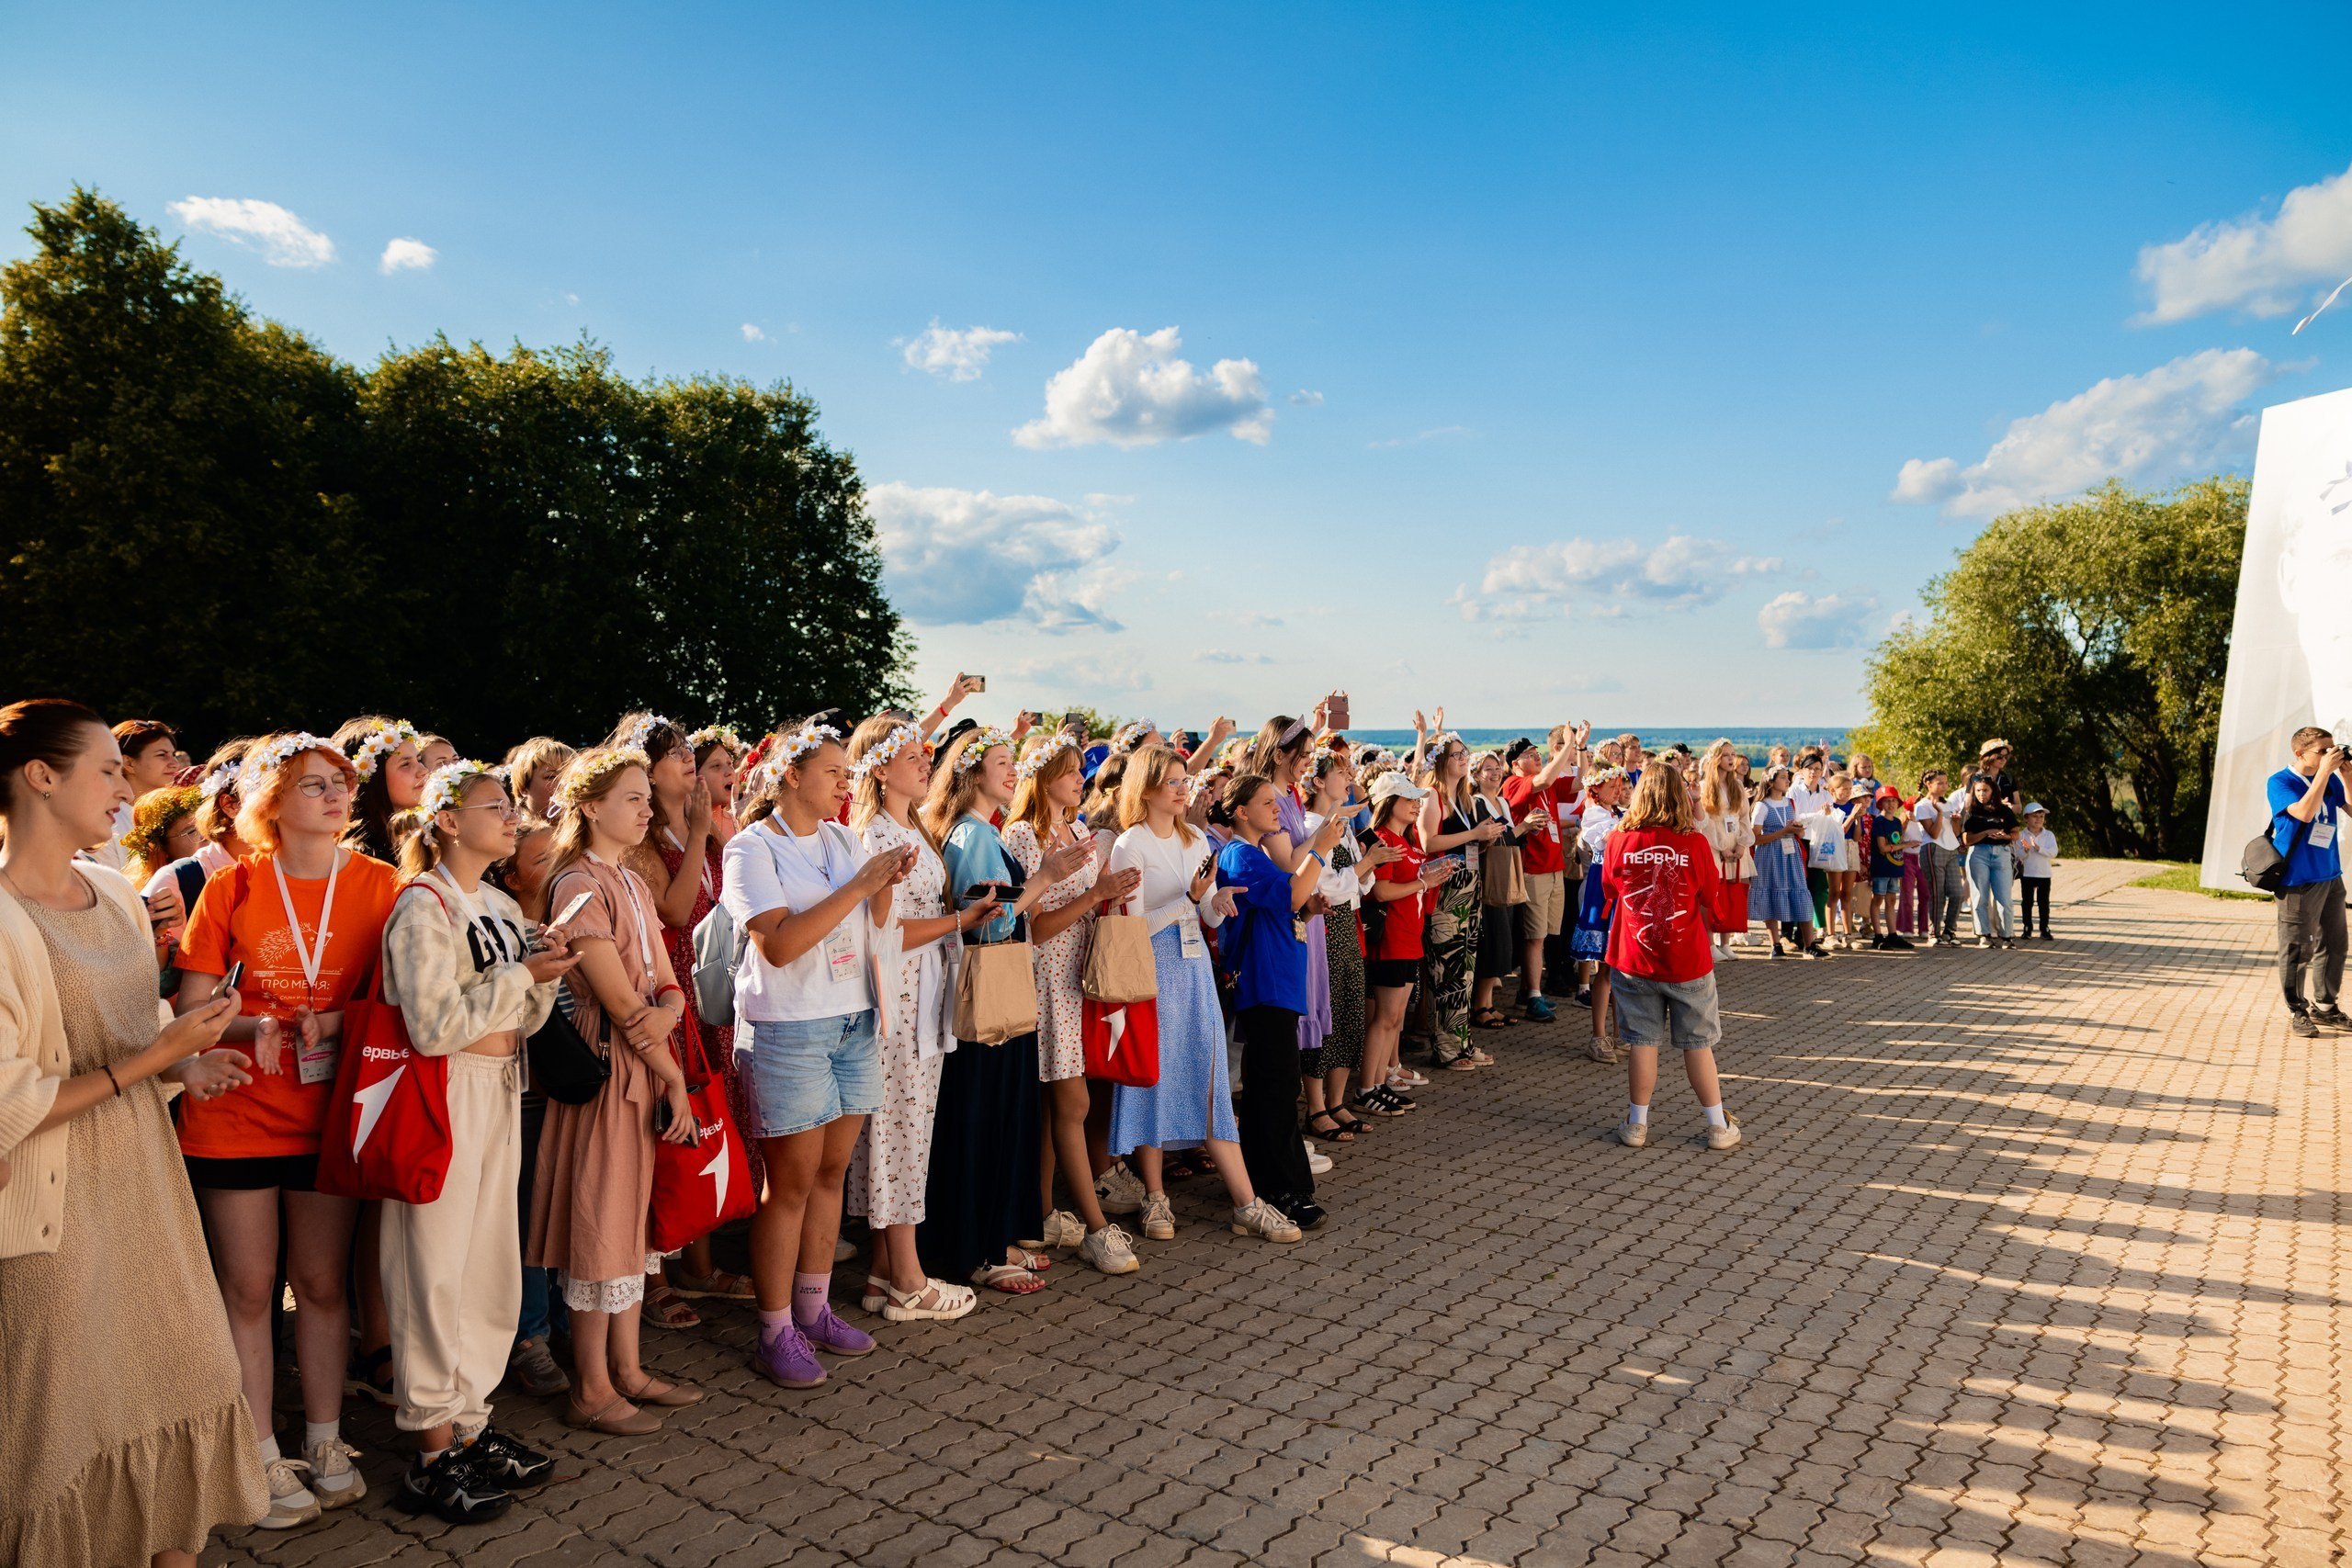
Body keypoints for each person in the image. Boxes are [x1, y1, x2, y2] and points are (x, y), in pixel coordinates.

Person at [0, 698, 266, 1568]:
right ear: (41, 776)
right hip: (52, 1214)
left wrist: (189, 1058)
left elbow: (128, 1031)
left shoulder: (115, 891)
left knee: (178, 1386)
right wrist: (152, 1057)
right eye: (108, 768)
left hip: (147, 1188)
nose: (128, 786)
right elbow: (9, 1100)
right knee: (67, 1433)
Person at [174, 731, 402, 1525]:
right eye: (315, 786)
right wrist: (250, 1027)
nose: (338, 797)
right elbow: (191, 1012)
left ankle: (328, 1439)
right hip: (235, 1112)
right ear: (272, 804)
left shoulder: (382, 882)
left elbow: (405, 1000)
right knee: (247, 1289)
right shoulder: (232, 887)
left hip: (328, 1116)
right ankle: (260, 1456)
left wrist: (335, 1021)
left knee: (323, 1283)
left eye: (341, 784)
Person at [379, 761, 576, 1521]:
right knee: (433, 1267)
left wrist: (545, 973)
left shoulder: (496, 900)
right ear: (449, 821)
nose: (513, 817)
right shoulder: (422, 906)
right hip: (444, 1093)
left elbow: (519, 1017)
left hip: (500, 1088)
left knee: (491, 1261)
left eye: (512, 806)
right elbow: (432, 1026)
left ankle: (470, 1424)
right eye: (496, 807)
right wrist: (521, 972)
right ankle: (432, 1451)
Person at [720, 724, 914, 1389]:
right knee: (792, 1183)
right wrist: (861, 885)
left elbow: (874, 924)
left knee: (831, 1174)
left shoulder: (839, 837)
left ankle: (814, 1307)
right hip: (789, 1029)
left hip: (851, 1017)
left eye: (845, 772)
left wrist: (885, 879)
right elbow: (779, 944)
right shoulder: (752, 848)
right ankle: (774, 1330)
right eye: (833, 771)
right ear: (791, 776)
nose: (844, 782)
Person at [528, 746, 703, 1436]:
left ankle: (628, 1369)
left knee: (630, 1228)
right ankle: (591, 1387)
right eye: (632, 796)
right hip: (610, 1071)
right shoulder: (577, 883)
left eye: (644, 797)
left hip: (643, 1058)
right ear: (591, 805)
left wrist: (665, 1011)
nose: (646, 807)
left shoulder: (628, 878)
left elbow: (665, 983)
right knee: (601, 1226)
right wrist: (673, 1076)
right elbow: (621, 1003)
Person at [1105, 747, 1300, 1244]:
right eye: (1171, 780)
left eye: (1182, 778)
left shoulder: (1195, 841)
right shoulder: (1131, 845)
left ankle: (1246, 1203)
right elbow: (1128, 928)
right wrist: (1189, 901)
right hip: (1152, 973)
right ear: (1145, 789)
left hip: (1194, 972)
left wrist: (1215, 903)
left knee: (1210, 1076)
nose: (1181, 787)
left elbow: (1205, 917)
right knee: (1154, 1078)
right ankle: (1155, 1196)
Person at [919, 727, 1088, 1294]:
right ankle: (974, 1249)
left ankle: (991, 1235)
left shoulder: (981, 831)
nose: (1012, 769)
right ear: (971, 773)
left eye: (1013, 760)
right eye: (1000, 761)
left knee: (994, 1118)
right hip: (988, 996)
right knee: (982, 1120)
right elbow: (991, 921)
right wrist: (1048, 876)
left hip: (999, 990)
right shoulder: (973, 836)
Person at [846, 716, 994, 1322]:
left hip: (921, 992)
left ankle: (885, 1270)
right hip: (896, 998)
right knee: (898, 1133)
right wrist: (961, 921)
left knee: (908, 1129)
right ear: (879, 769)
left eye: (925, 753)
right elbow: (883, 930)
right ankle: (907, 1278)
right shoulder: (875, 834)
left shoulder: (908, 825)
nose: (925, 763)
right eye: (912, 754)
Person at [605, 714, 734, 1325]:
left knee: (706, 1122)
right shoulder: (642, 841)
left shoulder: (701, 828)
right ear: (646, 771)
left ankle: (700, 1263)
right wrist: (703, 829)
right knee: (668, 1132)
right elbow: (677, 911)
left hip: (707, 996)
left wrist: (710, 832)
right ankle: (653, 1274)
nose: (689, 758)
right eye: (675, 752)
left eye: (688, 748)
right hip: (666, 996)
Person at [1001, 732, 1141, 1276]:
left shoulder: (1079, 827)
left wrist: (1111, 889)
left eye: (1080, 769)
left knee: (1056, 1107)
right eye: (1067, 771)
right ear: (1041, 778)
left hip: (1082, 972)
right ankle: (1096, 1228)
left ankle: (1041, 1214)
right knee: (1073, 1104)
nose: (1079, 779)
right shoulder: (1022, 834)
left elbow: (1087, 899)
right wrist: (1093, 896)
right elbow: (1030, 925)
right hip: (1048, 976)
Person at [1209, 774, 1346, 1229]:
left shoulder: (1253, 853)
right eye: (1267, 803)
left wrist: (1306, 909)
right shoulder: (1239, 854)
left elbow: (1287, 902)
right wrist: (1320, 848)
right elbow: (1288, 891)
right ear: (1241, 812)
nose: (1277, 810)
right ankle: (1278, 1188)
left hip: (1276, 978)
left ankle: (1274, 1181)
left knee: (1274, 1083)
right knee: (1274, 1086)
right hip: (1264, 981)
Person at [1600, 761, 1740, 1153]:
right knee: (1698, 1044)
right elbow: (1709, 897)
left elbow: (1610, 889)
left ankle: (1637, 1124)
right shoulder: (1694, 843)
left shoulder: (1618, 839)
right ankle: (1717, 1125)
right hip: (1686, 959)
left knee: (1643, 1042)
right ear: (1681, 796)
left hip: (1634, 956)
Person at [486, 814, 571, 1399]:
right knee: (522, 1217)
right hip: (512, 1091)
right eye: (541, 861)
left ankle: (567, 1321)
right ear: (512, 878)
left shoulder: (557, 919)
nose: (554, 870)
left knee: (554, 1206)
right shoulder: (497, 921)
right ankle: (527, 1337)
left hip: (563, 1088)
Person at [1355, 772, 1445, 1119]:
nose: (1417, 804)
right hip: (1392, 938)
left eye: (1417, 799)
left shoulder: (1405, 839)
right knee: (1385, 1017)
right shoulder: (1383, 839)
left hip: (1409, 936)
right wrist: (1422, 882)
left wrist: (1431, 878)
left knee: (1395, 1019)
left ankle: (1379, 1083)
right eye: (1409, 799)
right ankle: (1368, 1088)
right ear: (1389, 801)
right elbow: (1381, 891)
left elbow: (1413, 885)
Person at [1417, 733, 1504, 1069]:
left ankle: (1462, 1042)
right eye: (1455, 754)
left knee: (1465, 971)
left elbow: (1463, 843)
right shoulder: (1432, 795)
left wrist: (1483, 841)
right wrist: (1473, 835)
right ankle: (1446, 1047)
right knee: (1447, 972)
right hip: (1446, 892)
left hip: (1469, 886)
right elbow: (1428, 841)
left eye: (1464, 753)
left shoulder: (1465, 798)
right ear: (1440, 761)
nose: (1463, 758)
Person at [1300, 746, 1374, 1141]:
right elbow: (1322, 883)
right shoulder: (1313, 825)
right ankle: (1315, 1108)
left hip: (1348, 926)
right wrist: (1362, 868)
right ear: (1318, 782)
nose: (1348, 779)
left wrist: (1366, 865)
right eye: (1341, 773)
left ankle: (1337, 1100)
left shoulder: (1341, 824)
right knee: (1323, 1016)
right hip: (1324, 925)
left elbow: (1361, 885)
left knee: (1347, 1012)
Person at [2267, 727, 2349, 1037]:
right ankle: (2297, 1010)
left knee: (2336, 944)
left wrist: (2347, 775)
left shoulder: (2329, 781)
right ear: (2300, 754)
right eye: (2323, 751)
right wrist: (2323, 775)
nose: (2330, 755)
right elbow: (2303, 812)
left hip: (2330, 876)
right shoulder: (2280, 782)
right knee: (2297, 949)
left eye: (2333, 749)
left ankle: (2325, 1008)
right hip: (2298, 880)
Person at [1503, 726, 1586, 1015]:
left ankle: (1529, 990)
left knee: (1546, 934)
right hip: (1534, 868)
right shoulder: (1514, 783)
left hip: (1553, 868)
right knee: (1534, 935)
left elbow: (1579, 781)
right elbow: (1546, 777)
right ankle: (1533, 995)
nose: (1536, 757)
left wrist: (1582, 749)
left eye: (1537, 753)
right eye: (1529, 754)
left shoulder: (1545, 783)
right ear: (1514, 763)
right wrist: (1568, 746)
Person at [1467, 749, 1531, 1032]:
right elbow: (1494, 839)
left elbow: (1510, 839)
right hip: (1489, 879)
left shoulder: (1503, 801)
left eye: (1497, 767)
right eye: (1488, 768)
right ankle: (1480, 1006)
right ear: (1476, 775)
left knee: (1503, 941)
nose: (1495, 772)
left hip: (1506, 877)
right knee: (1492, 942)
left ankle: (1489, 1003)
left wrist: (1527, 830)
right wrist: (1523, 828)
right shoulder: (1477, 803)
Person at [1571, 765, 1631, 1059]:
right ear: (1595, 790)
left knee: (1620, 968)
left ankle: (1621, 1032)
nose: (1618, 790)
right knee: (1605, 966)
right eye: (1611, 786)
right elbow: (1607, 841)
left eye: (1620, 785)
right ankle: (1599, 1035)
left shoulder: (1619, 813)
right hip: (1603, 889)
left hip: (1620, 887)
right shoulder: (1594, 814)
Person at [1747, 766, 1819, 960]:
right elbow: (1754, 838)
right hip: (1769, 855)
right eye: (1783, 778)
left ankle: (1809, 944)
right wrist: (1783, 831)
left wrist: (1798, 831)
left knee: (1802, 894)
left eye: (1787, 778)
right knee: (1769, 894)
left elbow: (1800, 832)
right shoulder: (1762, 806)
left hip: (1790, 854)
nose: (1787, 781)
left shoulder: (1790, 803)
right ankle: (1775, 944)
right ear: (1771, 782)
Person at [335, 716, 426, 863]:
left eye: (419, 760)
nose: (423, 771)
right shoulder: (360, 858)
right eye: (405, 764)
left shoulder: (428, 840)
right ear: (374, 779)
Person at [1693, 743, 1754, 958]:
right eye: (1725, 755)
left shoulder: (1737, 786)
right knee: (1712, 895)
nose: (1730, 759)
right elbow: (1705, 823)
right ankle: (1709, 944)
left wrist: (1742, 844)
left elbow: (1744, 818)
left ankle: (1725, 941)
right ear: (1715, 759)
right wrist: (1721, 847)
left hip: (1736, 845)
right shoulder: (1703, 787)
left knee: (1731, 892)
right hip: (1713, 848)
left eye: (1732, 755)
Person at [1958, 775, 2020, 948]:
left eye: (1985, 790)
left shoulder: (2004, 810)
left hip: (2002, 854)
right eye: (1978, 790)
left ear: (1993, 791)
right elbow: (1966, 839)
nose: (1981, 794)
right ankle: (1983, 934)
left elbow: (2016, 833)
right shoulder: (1972, 812)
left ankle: (2007, 936)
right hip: (1979, 854)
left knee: (2004, 897)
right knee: (1979, 897)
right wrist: (1986, 833)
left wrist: (2006, 836)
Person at [1910, 770, 1962, 945]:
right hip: (1933, 849)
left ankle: (1949, 931)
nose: (1944, 786)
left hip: (1952, 849)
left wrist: (1955, 822)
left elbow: (1956, 832)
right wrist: (1939, 814)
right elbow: (1933, 833)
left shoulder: (1949, 804)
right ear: (1928, 784)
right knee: (1937, 894)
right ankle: (1935, 933)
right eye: (1940, 783)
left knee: (1957, 893)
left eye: (1946, 782)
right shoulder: (1922, 806)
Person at [1866, 786, 1915, 951]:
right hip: (1881, 867)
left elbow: (1895, 840)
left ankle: (1892, 934)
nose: (1891, 804)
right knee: (1878, 899)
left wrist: (1906, 823)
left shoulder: (1895, 822)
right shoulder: (1879, 821)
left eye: (1894, 800)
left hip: (1894, 866)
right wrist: (1907, 845)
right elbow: (1883, 847)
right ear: (1880, 804)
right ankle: (1878, 936)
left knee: (1891, 901)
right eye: (1887, 801)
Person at [504, 737, 576, 823]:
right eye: (551, 777)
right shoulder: (508, 834)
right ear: (523, 788)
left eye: (570, 776)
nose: (564, 784)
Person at [2013, 803, 2058, 942]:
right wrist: (2025, 850)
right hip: (2028, 873)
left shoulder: (2048, 835)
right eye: (2034, 816)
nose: (2038, 819)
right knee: (2027, 902)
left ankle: (2044, 928)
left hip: (2044, 874)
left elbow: (2054, 853)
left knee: (2043, 902)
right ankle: (2027, 927)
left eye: (2041, 816)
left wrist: (2039, 848)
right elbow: (2017, 854)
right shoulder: (2021, 835)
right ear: (2026, 818)